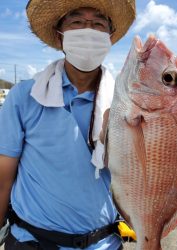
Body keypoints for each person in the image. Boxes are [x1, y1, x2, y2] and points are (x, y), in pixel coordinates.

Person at [0, 0, 135, 249]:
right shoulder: (24, 96)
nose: (88, 30)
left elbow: (140, 175)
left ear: (110, 37)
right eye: (76, 22)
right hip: (30, 241)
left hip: (104, 243)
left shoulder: (127, 105)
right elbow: (3, 178)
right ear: (60, 36)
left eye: (98, 23)